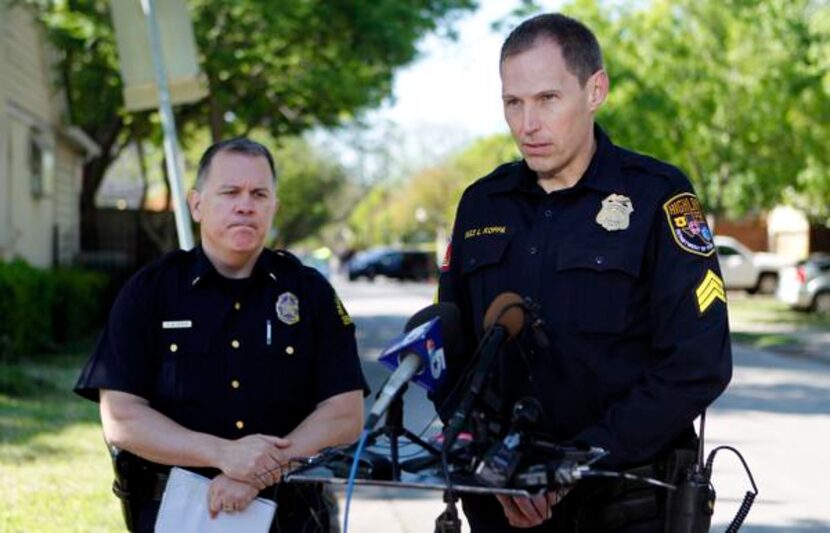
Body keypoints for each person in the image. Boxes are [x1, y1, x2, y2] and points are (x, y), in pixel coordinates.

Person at [437, 13, 732, 532]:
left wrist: (578, 460)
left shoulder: (658, 196)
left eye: (548, 99)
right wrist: (494, 464)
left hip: (624, 506)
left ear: (595, 90)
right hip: (502, 508)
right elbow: (449, 348)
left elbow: (697, 362)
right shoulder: (482, 204)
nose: (527, 124)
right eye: (513, 102)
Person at [75, 138, 367, 532]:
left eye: (259, 194)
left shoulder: (310, 292)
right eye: (230, 192)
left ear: (273, 208)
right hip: (176, 515)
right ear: (196, 204)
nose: (245, 204)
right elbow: (122, 418)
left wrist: (256, 473)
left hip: (293, 515)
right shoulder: (150, 291)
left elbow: (344, 414)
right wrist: (223, 455)